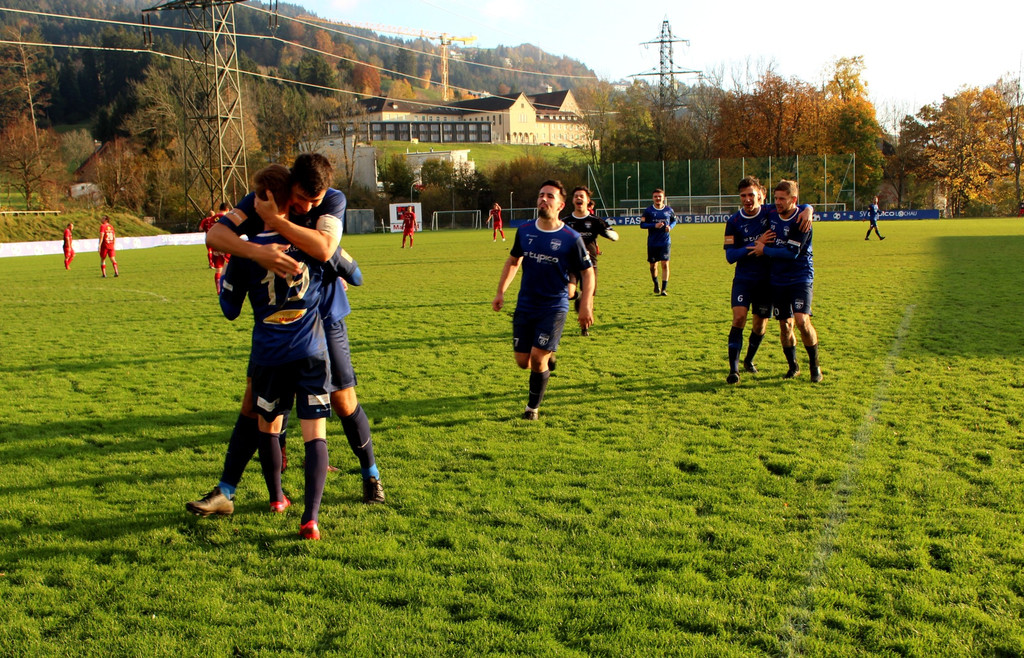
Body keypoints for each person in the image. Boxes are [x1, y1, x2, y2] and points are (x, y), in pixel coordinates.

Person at [189, 154, 384, 520]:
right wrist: (258, 252)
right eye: (301, 198)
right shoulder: (265, 197)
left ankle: (370, 473)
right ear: (289, 182)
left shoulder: (332, 200)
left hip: (324, 316)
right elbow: (215, 235)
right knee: (253, 403)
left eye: (315, 200)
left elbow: (327, 249)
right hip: (278, 321)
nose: (308, 206)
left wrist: (277, 221)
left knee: (343, 402)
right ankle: (226, 490)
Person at [215, 164, 335, 540]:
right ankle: (311, 518)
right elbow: (351, 268)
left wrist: (244, 261)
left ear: (262, 199)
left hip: (268, 353)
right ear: (291, 196)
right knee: (315, 433)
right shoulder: (311, 237)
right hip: (311, 348)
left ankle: (277, 498)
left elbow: (229, 309)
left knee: (268, 425)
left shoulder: (244, 253)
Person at [492, 179, 594, 421]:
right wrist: (501, 292)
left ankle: (532, 409)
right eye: (541, 195)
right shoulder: (525, 231)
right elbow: (514, 261)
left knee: (538, 360)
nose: (543, 199)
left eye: (550, 196)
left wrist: (586, 304)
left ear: (560, 204)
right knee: (522, 362)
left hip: (554, 305)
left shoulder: (571, 237)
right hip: (526, 304)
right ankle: (550, 356)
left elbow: (587, 273)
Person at [723, 177, 814, 383]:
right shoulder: (734, 222)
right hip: (744, 279)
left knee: (760, 326)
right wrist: (756, 244)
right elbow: (730, 257)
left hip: (767, 280)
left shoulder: (770, 211)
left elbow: (795, 205)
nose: (747, 199)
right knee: (738, 318)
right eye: (743, 196)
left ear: (761, 196)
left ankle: (748, 360)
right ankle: (733, 371)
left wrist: (809, 208)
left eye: (751, 195)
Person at [751, 180, 822, 382]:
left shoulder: (802, 221)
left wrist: (764, 249)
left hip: (800, 277)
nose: (778, 202)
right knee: (785, 326)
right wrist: (810, 207)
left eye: (782, 199)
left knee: (801, 321)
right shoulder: (772, 212)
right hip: (778, 279)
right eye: (776, 198)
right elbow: (753, 207)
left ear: (794, 200)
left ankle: (815, 366)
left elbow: (791, 253)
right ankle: (793, 366)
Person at [563, 186, 618, 336]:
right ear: (573, 200)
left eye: (582, 196)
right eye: (576, 196)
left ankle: (584, 328)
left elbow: (613, 233)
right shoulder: (566, 221)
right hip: (571, 265)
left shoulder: (595, 221)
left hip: (590, 265)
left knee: (589, 299)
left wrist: (610, 234)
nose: (579, 198)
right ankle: (577, 297)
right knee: (569, 293)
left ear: (588, 200)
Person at [640, 188, 675, 295]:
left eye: (660, 196)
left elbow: (674, 221)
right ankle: (656, 284)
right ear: (653, 198)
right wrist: (654, 225)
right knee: (653, 266)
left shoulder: (669, 210)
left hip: (665, 242)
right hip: (652, 242)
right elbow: (642, 225)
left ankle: (664, 289)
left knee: (665, 264)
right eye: (655, 196)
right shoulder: (648, 211)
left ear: (663, 198)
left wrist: (670, 227)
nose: (658, 198)